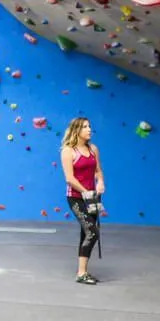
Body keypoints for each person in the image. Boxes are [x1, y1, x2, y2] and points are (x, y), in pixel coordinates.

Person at [61, 116, 103, 284]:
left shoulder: (93, 149)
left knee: (86, 233)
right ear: (77, 130)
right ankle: (81, 273)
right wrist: (86, 192)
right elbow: (69, 178)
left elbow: (98, 170)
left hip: (91, 197)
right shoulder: (68, 151)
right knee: (92, 232)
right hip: (76, 198)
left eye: (89, 126)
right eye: (85, 127)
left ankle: (82, 272)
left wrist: (100, 182)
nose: (89, 129)